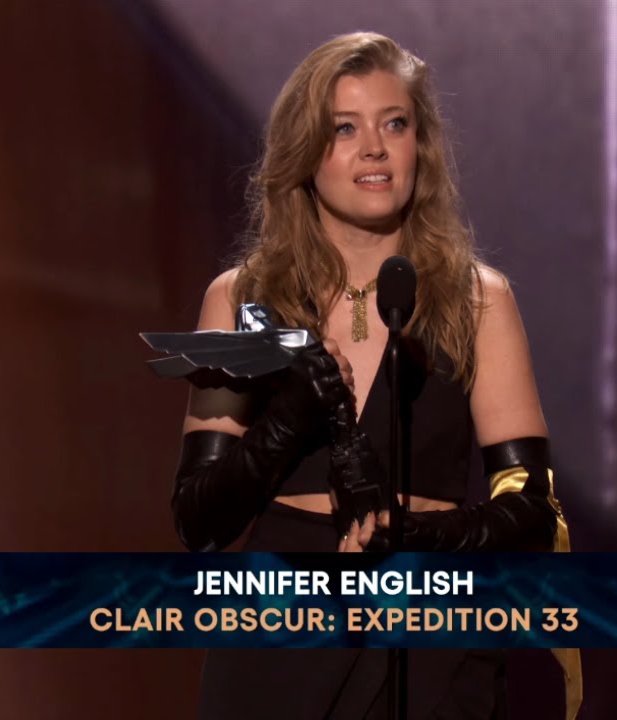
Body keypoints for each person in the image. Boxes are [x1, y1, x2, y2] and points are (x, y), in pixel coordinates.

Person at [170, 32, 575, 719]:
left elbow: (532, 513)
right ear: (305, 153)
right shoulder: (243, 300)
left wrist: (421, 537)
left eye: (394, 125)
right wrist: (287, 418)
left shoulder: (478, 301)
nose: (375, 150)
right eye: (344, 129)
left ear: (422, 147)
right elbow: (198, 521)